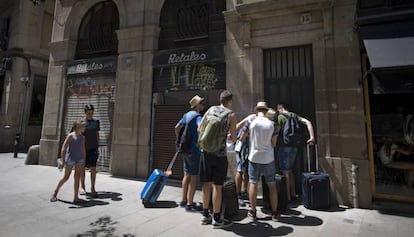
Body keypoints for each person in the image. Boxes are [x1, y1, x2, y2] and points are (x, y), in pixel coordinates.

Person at [198, 90, 237, 228]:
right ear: (230, 101)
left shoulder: (211, 109)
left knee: (206, 185)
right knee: (218, 187)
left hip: (205, 153)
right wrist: (224, 136)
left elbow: (199, 128)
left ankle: (204, 215)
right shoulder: (231, 115)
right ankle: (216, 218)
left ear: (220, 100)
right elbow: (233, 138)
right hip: (219, 155)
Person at [240, 102, 279, 221]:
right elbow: (274, 144)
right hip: (268, 158)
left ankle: (253, 212)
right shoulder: (272, 124)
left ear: (256, 110)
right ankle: (274, 213)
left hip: (254, 157)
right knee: (272, 185)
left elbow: (241, 138)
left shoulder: (251, 122)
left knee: (253, 183)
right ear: (266, 111)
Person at [276, 103, 315, 201]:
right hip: (294, 146)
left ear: (280, 109)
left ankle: (288, 196)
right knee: (290, 170)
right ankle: (293, 193)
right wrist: (312, 137)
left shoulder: (280, 117)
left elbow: (276, 132)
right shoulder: (294, 116)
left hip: (283, 146)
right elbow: (308, 122)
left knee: (285, 171)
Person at [174, 95, 205, 211]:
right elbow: (200, 128)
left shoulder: (186, 115)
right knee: (194, 177)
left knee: (186, 174)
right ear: (197, 105)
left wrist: (180, 141)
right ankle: (190, 204)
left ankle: (183, 200)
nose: (203, 105)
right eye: (202, 103)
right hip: (194, 151)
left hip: (185, 150)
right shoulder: (198, 117)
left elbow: (176, 127)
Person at [50, 120, 86, 203]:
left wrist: (84, 160)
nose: (84, 127)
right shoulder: (71, 136)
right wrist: (63, 160)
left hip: (79, 160)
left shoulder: (82, 137)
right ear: (77, 126)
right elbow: (64, 148)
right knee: (66, 177)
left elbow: (83, 149)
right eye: (82, 126)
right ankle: (55, 193)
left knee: (77, 177)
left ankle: (76, 197)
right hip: (70, 159)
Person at [80, 104, 100, 197]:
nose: (90, 115)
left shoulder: (96, 122)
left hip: (93, 148)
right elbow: (78, 135)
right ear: (85, 113)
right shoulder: (81, 122)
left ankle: (93, 188)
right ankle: (82, 187)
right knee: (82, 168)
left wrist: (97, 145)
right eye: (88, 113)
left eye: (91, 113)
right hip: (83, 149)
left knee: (93, 168)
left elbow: (96, 134)